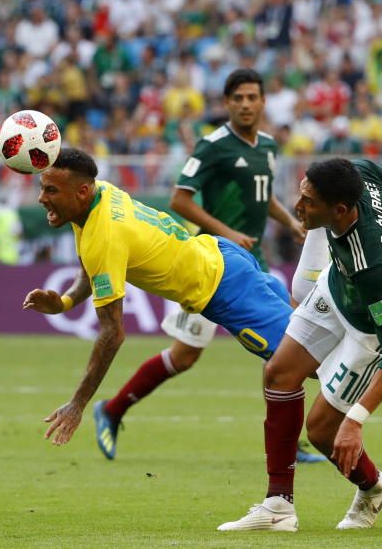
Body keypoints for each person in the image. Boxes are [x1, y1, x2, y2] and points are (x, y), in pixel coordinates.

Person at [92, 67, 324, 463]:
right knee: (184, 356)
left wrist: (289, 222)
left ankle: (290, 441)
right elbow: (181, 199)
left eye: (253, 97)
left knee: (286, 346)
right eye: (238, 98)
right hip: (209, 264)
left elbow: (263, 195)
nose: (246, 104)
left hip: (254, 263)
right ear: (226, 103)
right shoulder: (213, 145)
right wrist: (228, 232)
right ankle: (111, 409)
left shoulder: (267, 146)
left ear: (264, 101)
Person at [22, 146, 305, 448]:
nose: (41, 199)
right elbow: (89, 266)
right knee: (306, 342)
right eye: (42, 188)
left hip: (226, 288)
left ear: (80, 191)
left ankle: (343, 427)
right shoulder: (99, 194)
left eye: (51, 190)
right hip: (219, 252)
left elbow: (112, 333)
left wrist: (77, 403)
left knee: (307, 361)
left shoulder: (104, 236)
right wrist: (64, 303)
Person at [217, 157, 382, 533]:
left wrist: (356, 421)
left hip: (370, 327)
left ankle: (374, 486)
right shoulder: (359, 171)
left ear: (341, 209)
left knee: (321, 433)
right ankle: (278, 505)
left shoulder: (373, 268)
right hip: (336, 289)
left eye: (309, 203)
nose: (297, 206)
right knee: (279, 373)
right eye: (302, 193)